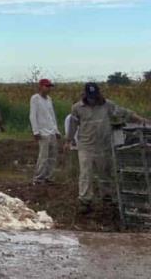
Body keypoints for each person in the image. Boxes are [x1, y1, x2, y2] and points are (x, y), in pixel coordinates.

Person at [66, 83, 149, 214]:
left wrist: (141, 120)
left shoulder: (107, 105)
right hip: (86, 146)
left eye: (94, 96)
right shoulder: (77, 108)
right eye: (90, 97)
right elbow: (73, 125)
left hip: (103, 146)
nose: (92, 99)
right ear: (85, 95)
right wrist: (69, 140)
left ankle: (108, 198)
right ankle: (85, 201)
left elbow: (124, 113)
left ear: (98, 94)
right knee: (86, 174)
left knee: (105, 173)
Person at [30, 78, 60, 185]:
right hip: (43, 132)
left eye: (49, 87)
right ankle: (38, 178)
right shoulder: (35, 98)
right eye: (47, 86)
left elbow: (52, 115)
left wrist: (56, 130)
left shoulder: (49, 99)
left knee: (52, 157)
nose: (48, 89)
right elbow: (33, 115)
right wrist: (35, 131)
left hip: (51, 131)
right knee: (43, 156)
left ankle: (49, 177)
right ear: (41, 86)